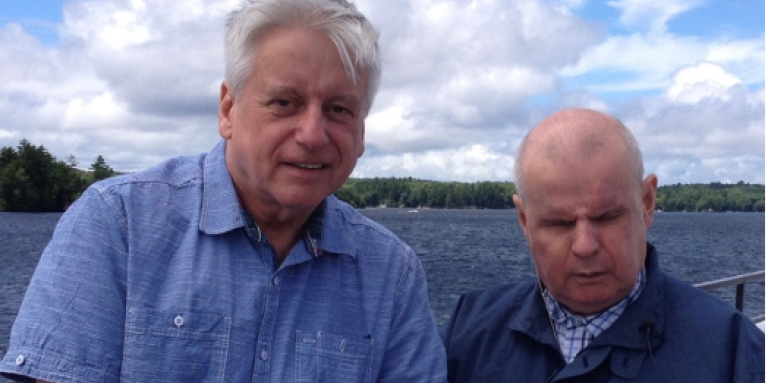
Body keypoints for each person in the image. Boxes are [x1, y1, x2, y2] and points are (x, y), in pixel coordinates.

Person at [0, 1, 448, 382]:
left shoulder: (392, 275)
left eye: (338, 109)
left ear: (361, 131)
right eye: (285, 103)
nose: (313, 134)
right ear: (228, 109)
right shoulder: (118, 226)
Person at [442, 108, 765, 382]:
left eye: (607, 217)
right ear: (525, 221)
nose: (584, 246)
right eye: (559, 223)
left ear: (647, 204)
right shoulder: (469, 331)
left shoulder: (732, 351)